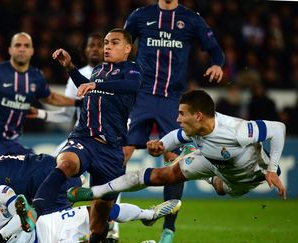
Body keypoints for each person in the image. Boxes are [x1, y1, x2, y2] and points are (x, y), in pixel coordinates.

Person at [17, 28, 142, 243]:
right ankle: (34, 211)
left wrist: (96, 84)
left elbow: (132, 86)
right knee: (65, 164)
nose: (107, 47)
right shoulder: (99, 70)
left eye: (114, 43)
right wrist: (70, 67)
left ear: (128, 48)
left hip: (111, 149)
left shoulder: (132, 70)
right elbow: (86, 87)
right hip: (84, 137)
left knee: (99, 223)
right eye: (106, 42)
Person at [67, 89, 286, 204]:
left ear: (198, 116)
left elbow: (278, 129)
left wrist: (271, 169)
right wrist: (160, 145)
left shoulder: (237, 131)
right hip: (212, 161)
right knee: (163, 176)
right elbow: (176, 135)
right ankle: (94, 192)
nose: (178, 118)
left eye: (182, 114)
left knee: (221, 189)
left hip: (244, 177)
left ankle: (208, 176)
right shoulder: (195, 129)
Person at [123, 1, 225, 241]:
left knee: (174, 162)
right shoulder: (140, 16)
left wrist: (217, 64)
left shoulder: (190, 19)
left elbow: (215, 49)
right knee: (121, 154)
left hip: (172, 100)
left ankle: (168, 229)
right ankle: (105, 222)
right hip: (141, 95)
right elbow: (123, 46)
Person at [0, 32, 77, 158]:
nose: (22, 49)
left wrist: (80, 102)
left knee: (38, 167)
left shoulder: (36, 77)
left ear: (32, 51)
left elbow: (50, 97)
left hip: (13, 143)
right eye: (18, 45)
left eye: (26, 46)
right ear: (10, 50)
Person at [0, 173, 181, 243]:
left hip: (44, 226)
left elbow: (24, 216)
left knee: (95, 210)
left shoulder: (0, 192)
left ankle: (148, 215)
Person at [28, 32, 104, 155]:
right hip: (83, 137)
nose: (95, 48)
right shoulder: (76, 76)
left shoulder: (116, 74)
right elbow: (66, 116)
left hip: (109, 138)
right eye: (91, 45)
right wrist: (39, 113)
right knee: (54, 161)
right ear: (84, 50)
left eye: (100, 45)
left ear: (107, 49)